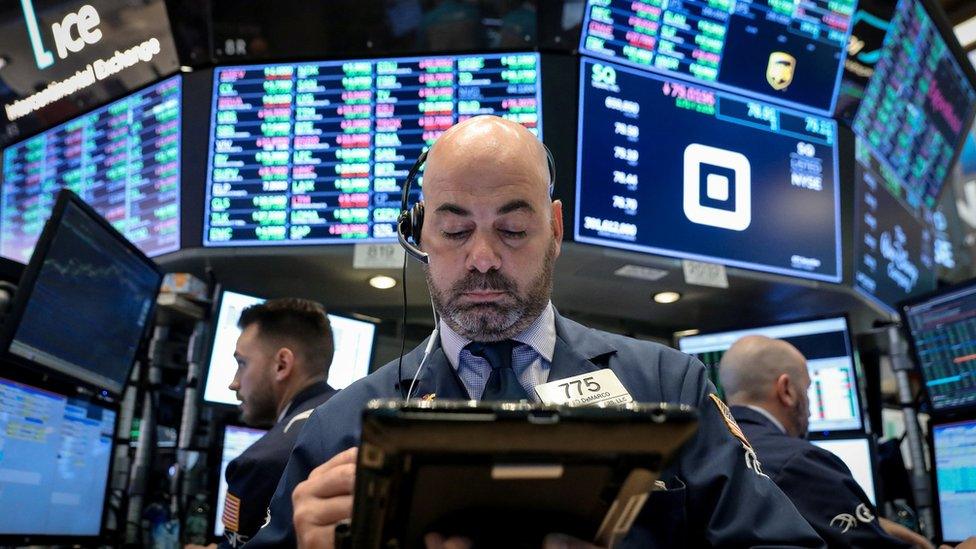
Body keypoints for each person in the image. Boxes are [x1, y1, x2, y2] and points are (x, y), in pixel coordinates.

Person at [246, 115, 825, 548]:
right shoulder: (340, 428)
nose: (481, 257)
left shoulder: (670, 385)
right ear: (419, 234)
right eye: (454, 231)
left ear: (553, 228)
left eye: (513, 229)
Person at [718, 335, 933, 549]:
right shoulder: (800, 462)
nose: (810, 407)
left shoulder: (712, 451)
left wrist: (871, 525)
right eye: (807, 389)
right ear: (787, 390)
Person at [188, 298, 338, 549]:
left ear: (282, 364)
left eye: (241, 363)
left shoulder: (261, 463)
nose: (234, 383)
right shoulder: (345, 415)